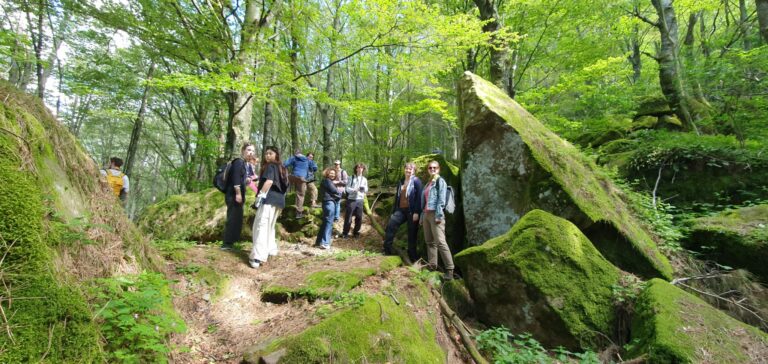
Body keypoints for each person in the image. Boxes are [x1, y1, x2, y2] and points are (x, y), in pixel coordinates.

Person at [249, 146, 289, 268]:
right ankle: (271, 249)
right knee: (269, 226)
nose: (267, 156)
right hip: (279, 201)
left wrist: (260, 196)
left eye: (270, 153)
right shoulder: (282, 168)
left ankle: (257, 256)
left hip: (269, 199)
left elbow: (269, 182)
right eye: (266, 154)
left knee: (261, 226)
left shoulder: (271, 166)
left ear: (276, 155)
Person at [420, 160, 454, 280]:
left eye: (434, 168)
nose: (432, 170)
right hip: (426, 214)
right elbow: (424, 202)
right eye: (430, 168)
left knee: (440, 241)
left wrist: (439, 215)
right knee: (429, 242)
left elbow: (441, 200)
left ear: (438, 169)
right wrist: (422, 216)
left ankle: (450, 270)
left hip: (436, 214)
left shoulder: (440, 181)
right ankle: (432, 265)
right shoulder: (428, 183)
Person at [382, 162, 422, 262]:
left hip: (411, 211)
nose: (408, 170)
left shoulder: (416, 181)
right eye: (407, 168)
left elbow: (419, 198)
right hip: (400, 210)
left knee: (412, 233)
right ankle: (387, 250)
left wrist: (417, 212)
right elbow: (398, 197)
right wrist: (394, 210)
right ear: (404, 169)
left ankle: (412, 255)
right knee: (391, 225)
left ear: (414, 171)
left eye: (411, 169)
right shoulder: (401, 181)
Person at [222, 143, 255, 250]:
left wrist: (247, 180)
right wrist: (238, 193)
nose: (251, 152)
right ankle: (226, 244)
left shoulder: (245, 164)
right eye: (249, 150)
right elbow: (236, 179)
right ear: (243, 151)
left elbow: (241, 179)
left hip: (238, 195)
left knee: (237, 218)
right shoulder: (238, 162)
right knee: (232, 218)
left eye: (253, 151)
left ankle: (231, 243)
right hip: (233, 195)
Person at [315, 167, 341, 249]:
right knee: (329, 223)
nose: (332, 175)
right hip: (329, 203)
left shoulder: (326, 182)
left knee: (325, 223)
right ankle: (325, 243)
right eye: (331, 173)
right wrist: (339, 194)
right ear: (327, 173)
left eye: (334, 173)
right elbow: (334, 191)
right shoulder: (327, 181)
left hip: (327, 203)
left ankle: (318, 242)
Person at [342, 163, 369, 238]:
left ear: (363, 169)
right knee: (348, 217)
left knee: (359, 217)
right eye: (359, 167)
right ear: (356, 169)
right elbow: (347, 188)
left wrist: (363, 189)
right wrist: (354, 190)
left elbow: (366, 189)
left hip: (360, 200)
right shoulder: (351, 177)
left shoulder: (364, 179)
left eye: (362, 168)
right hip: (351, 200)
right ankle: (345, 233)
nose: (360, 169)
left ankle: (356, 233)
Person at [284, 149, 313, 218]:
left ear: (296, 153)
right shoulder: (307, 159)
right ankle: (298, 213)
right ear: (301, 153)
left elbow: (284, 164)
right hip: (302, 178)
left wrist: (286, 173)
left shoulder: (294, 158)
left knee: (284, 187)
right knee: (300, 195)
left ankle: (280, 203)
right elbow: (312, 168)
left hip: (293, 176)